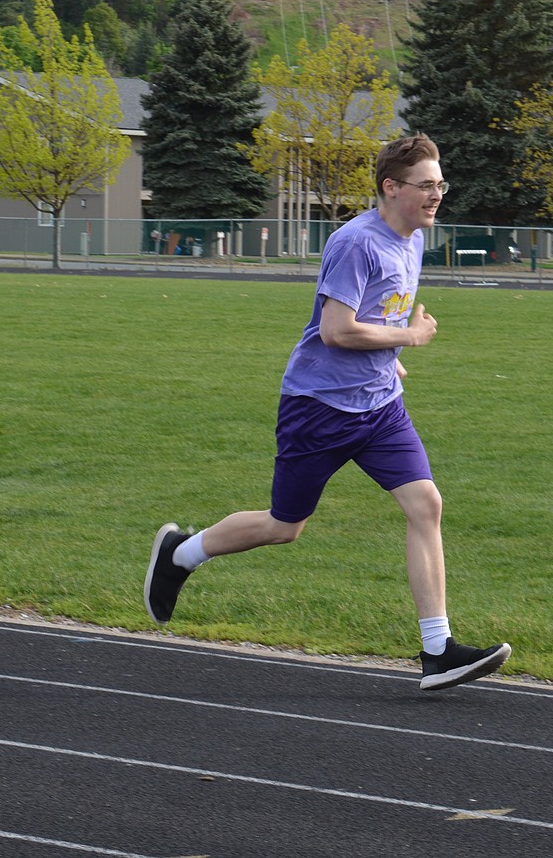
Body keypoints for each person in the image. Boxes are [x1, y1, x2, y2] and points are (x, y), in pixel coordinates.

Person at [144, 134, 511, 691]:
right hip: (319, 409)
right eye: (428, 185)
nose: (438, 194)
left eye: (441, 184)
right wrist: (409, 339)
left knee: (425, 504)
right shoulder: (355, 243)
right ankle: (181, 554)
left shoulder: (412, 239)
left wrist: (391, 357)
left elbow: (382, 311)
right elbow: (336, 330)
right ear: (392, 188)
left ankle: (437, 650)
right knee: (284, 526)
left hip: (380, 407)